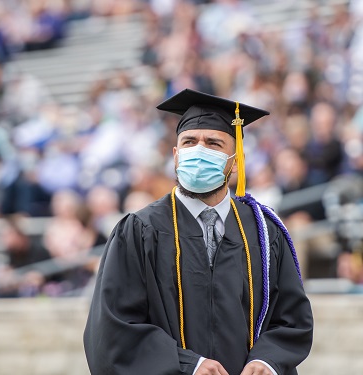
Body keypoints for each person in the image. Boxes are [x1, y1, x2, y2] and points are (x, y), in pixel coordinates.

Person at [84, 89, 313, 375]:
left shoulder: (264, 233)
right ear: (176, 155)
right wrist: (186, 365)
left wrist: (267, 360)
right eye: (189, 142)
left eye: (214, 143)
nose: (199, 151)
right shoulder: (140, 231)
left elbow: (291, 318)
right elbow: (113, 327)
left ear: (235, 159)